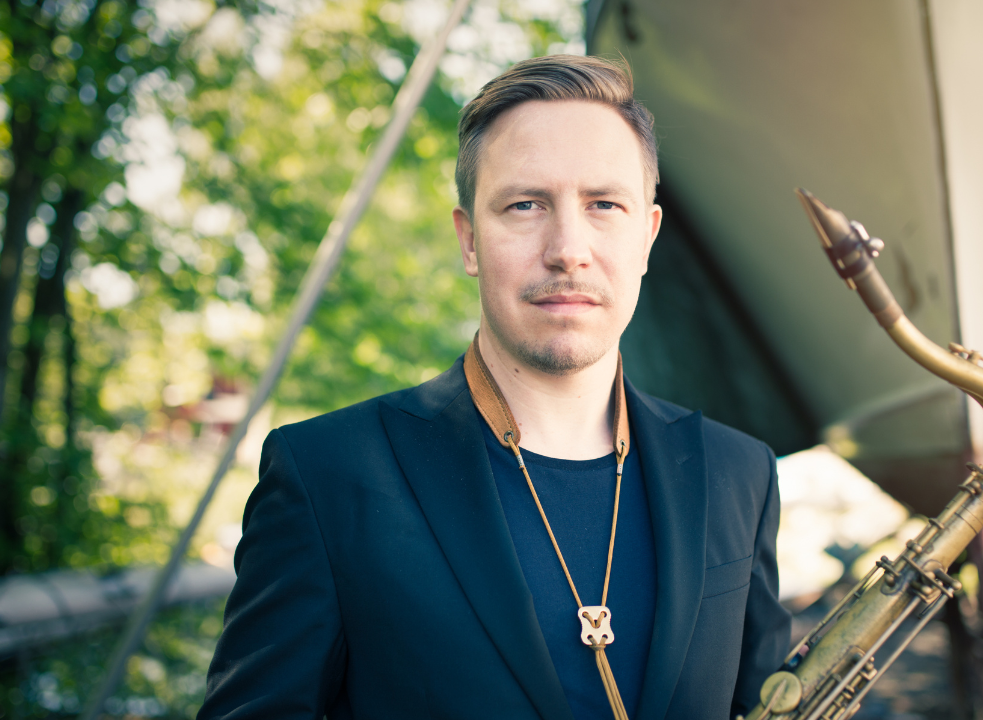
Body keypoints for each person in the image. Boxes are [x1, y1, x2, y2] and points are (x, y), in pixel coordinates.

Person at [198, 55, 791, 720]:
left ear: (647, 238)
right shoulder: (324, 476)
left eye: (604, 204)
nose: (569, 247)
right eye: (525, 204)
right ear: (470, 240)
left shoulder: (741, 473)